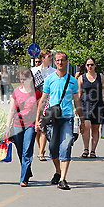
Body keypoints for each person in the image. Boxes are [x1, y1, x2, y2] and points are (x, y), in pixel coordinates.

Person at [35, 51, 85, 190]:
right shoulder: (50, 79)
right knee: (52, 149)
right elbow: (43, 100)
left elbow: (77, 101)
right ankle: (58, 171)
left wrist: (81, 121)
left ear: (67, 62)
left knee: (66, 145)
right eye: (57, 60)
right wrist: (38, 119)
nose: (60, 62)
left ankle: (63, 179)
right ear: (54, 62)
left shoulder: (73, 81)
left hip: (67, 118)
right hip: (53, 118)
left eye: (62, 60)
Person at [4, 69, 42, 187]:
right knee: (20, 151)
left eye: (24, 79)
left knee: (27, 151)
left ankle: (24, 178)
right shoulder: (16, 92)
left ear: (30, 79)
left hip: (30, 125)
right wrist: (7, 126)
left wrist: (38, 122)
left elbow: (39, 110)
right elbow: (11, 110)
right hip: (17, 125)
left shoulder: (36, 93)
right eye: (20, 80)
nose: (22, 82)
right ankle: (27, 171)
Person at [78, 57, 104, 158]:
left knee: (95, 129)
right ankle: (86, 148)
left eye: (92, 64)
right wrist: (76, 106)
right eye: (88, 65)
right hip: (85, 105)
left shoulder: (100, 77)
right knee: (86, 126)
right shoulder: (81, 78)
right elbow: (78, 93)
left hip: (98, 105)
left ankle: (93, 150)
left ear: (95, 65)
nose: (90, 67)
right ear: (86, 66)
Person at [30, 49, 56, 161]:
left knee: (44, 125)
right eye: (48, 56)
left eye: (51, 56)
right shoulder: (34, 71)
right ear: (42, 59)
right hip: (36, 99)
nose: (51, 58)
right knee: (37, 126)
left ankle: (41, 152)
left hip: (48, 100)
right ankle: (41, 147)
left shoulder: (54, 71)